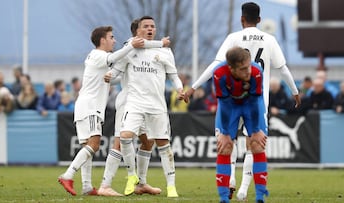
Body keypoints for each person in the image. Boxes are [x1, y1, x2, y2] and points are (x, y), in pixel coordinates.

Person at [184, 2, 300, 201]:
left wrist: (193, 87)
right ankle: (244, 191)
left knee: (229, 141)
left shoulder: (233, 38)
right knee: (253, 144)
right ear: (260, 20)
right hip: (257, 101)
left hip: (231, 100)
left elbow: (215, 65)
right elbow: (283, 68)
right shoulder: (269, 39)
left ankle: (230, 182)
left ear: (241, 18)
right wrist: (295, 91)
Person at [57, 26, 145, 196]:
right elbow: (114, 58)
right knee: (94, 144)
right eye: (111, 37)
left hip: (84, 105)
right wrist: (131, 45)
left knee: (87, 146)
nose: (114, 40)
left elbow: (109, 79)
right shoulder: (99, 55)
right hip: (91, 107)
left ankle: (87, 186)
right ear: (102, 40)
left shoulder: (96, 58)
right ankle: (68, 175)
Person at [104, 16, 183, 198]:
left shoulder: (165, 51)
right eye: (145, 26)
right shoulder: (130, 48)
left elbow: (173, 75)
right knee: (124, 137)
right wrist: (110, 75)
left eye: (152, 26)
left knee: (162, 144)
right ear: (137, 30)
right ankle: (131, 176)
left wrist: (179, 89)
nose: (150, 29)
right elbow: (117, 70)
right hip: (134, 103)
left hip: (157, 105)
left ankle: (171, 186)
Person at [213, 46, 267, 203]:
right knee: (225, 148)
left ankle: (260, 197)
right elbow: (223, 104)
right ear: (231, 68)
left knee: (257, 144)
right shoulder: (219, 74)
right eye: (243, 69)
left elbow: (257, 101)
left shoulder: (256, 72)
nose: (248, 71)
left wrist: (256, 130)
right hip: (230, 107)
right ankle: (224, 198)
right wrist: (224, 132)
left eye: (249, 66)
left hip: (251, 106)